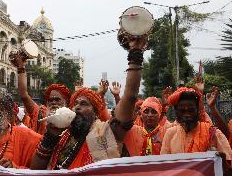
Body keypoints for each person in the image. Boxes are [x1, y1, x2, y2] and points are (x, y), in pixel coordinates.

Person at [30, 36, 147, 170]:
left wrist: (135, 54)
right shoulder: (61, 135)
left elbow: (130, 97)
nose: (78, 106)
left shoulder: (105, 132)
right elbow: (35, 170)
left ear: (96, 113)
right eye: (75, 104)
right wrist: (49, 138)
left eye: (84, 104)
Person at [160, 87, 232, 164]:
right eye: (182, 111)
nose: (187, 114)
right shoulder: (170, 134)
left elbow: (228, 165)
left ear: (197, 110)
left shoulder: (212, 132)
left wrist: (222, 163)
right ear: (176, 111)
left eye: (191, 110)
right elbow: (164, 167)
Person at [15, 56, 71, 135]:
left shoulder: (73, 122)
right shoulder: (41, 114)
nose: (53, 103)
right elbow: (24, 95)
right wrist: (21, 67)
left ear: (66, 102)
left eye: (57, 100)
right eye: (50, 100)